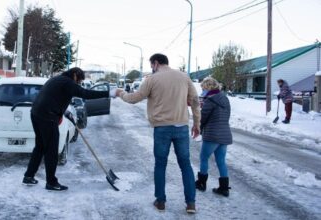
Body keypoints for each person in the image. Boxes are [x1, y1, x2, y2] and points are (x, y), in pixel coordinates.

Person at [115, 53, 201, 214]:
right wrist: (197, 123)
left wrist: (121, 93)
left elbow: (134, 98)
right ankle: (191, 204)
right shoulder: (184, 77)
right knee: (186, 165)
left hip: (162, 128)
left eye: (151, 66)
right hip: (181, 127)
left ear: (155, 63)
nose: (151, 69)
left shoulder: (152, 80)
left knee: (160, 165)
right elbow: (195, 101)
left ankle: (160, 201)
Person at [23, 67, 116, 191]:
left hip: (36, 114)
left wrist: (64, 111)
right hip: (47, 117)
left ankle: (28, 176)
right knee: (51, 150)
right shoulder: (68, 82)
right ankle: (51, 182)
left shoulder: (57, 80)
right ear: (75, 75)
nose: (78, 84)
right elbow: (86, 94)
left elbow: (53, 97)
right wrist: (109, 93)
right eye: (79, 81)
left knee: (40, 147)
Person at [194, 77, 232, 197]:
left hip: (212, 135)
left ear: (207, 87)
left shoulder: (210, 100)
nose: (202, 90)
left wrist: (198, 128)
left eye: (203, 88)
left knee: (204, 158)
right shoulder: (225, 98)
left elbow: (203, 117)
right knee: (221, 161)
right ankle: (224, 188)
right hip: (225, 134)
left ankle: (201, 183)